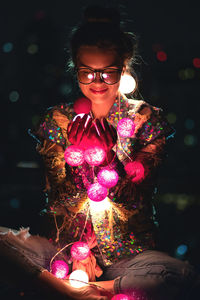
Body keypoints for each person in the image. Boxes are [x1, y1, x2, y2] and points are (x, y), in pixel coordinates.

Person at [0, 5, 199, 300]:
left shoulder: (144, 120)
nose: (97, 82)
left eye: (108, 73)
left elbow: (136, 197)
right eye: (87, 73)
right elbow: (61, 196)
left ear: (124, 66)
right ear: (75, 68)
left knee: (179, 276)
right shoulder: (58, 121)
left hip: (126, 258)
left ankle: (73, 291)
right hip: (61, 254)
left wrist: (109, 163)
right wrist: (79, 163)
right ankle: (72, 290)